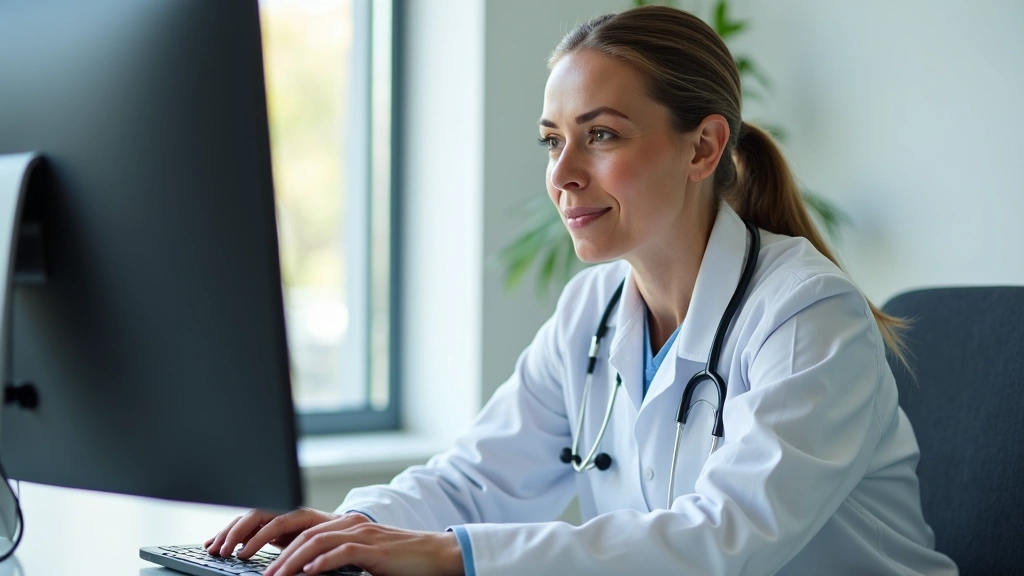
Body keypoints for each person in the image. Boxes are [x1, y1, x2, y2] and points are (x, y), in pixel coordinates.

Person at [205, 6, 958, 576]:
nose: (563, 173)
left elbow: (725, 538)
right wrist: (348, 527)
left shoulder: (806, 313)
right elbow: (476, 480)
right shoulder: (591, 313)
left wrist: (453, 555)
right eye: (552, 139)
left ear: (703, 147)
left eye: (600, 135)